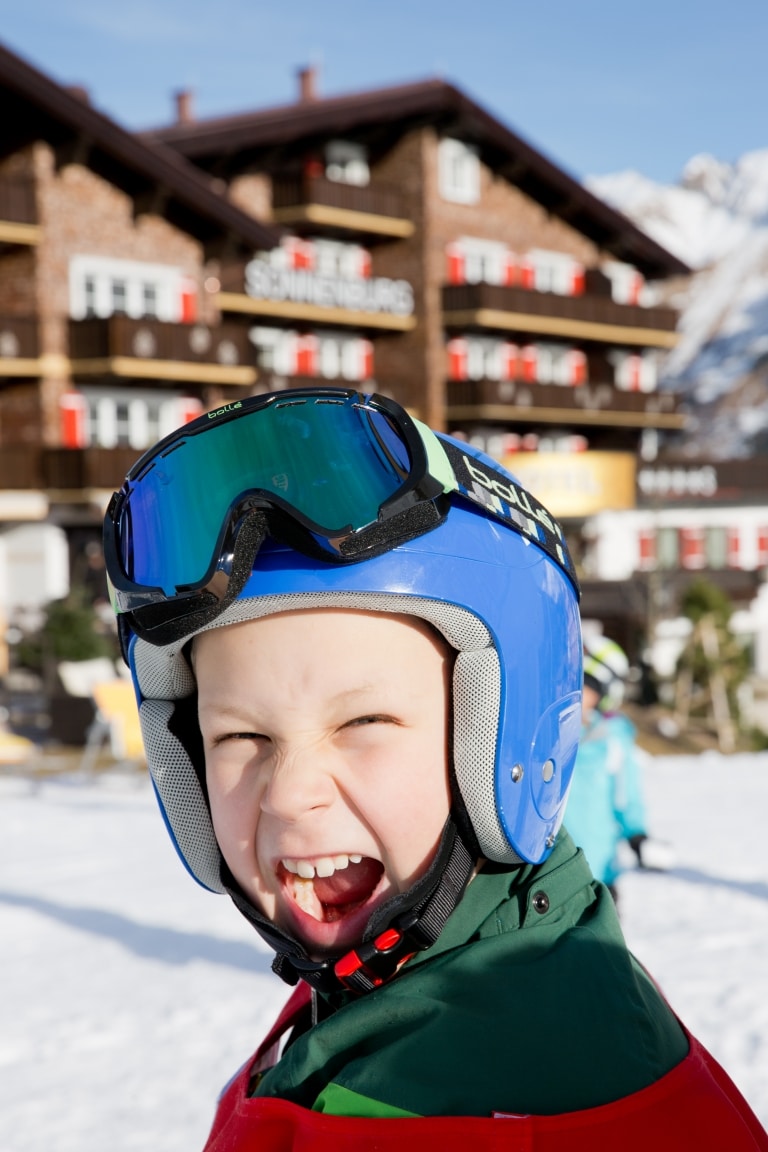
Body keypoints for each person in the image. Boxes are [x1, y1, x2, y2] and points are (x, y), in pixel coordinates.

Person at [103, 387, 767, 1150]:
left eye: (363, 722)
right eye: (240, 737)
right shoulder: (385, 995)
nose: (288, 795)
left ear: (504, 742)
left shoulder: (521, 1113)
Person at [564, 633, 673, 903]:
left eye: (587, 686)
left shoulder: (612, 740)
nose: (578, 693)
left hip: (598, 869)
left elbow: (626, 795)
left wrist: (637, 835)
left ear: (604, 693)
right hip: (550, 869)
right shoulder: (549, 735)